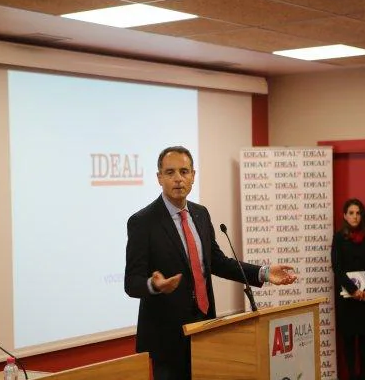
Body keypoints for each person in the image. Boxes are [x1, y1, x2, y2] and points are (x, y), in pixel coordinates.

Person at [124, 146, 297, 380]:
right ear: (159, 178)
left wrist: (264, 273)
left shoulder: (201, 214)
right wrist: (155, 286)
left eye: (184, 171)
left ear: (193, 176)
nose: (178, 178)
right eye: (170, 172)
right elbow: (131, 283)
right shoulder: (143, 222)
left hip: (205, 329)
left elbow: (218, 263)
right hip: (167, 339)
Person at [331, 198, 365, 380]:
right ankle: (352, 375)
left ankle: (364, 376)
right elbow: (337, 267)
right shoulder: (338, 238)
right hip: (348, 297)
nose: (355, 216)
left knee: (364, 339)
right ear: (345, 215)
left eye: (358, 213)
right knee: (348, 339)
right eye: (351, 213)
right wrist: (353, 290)